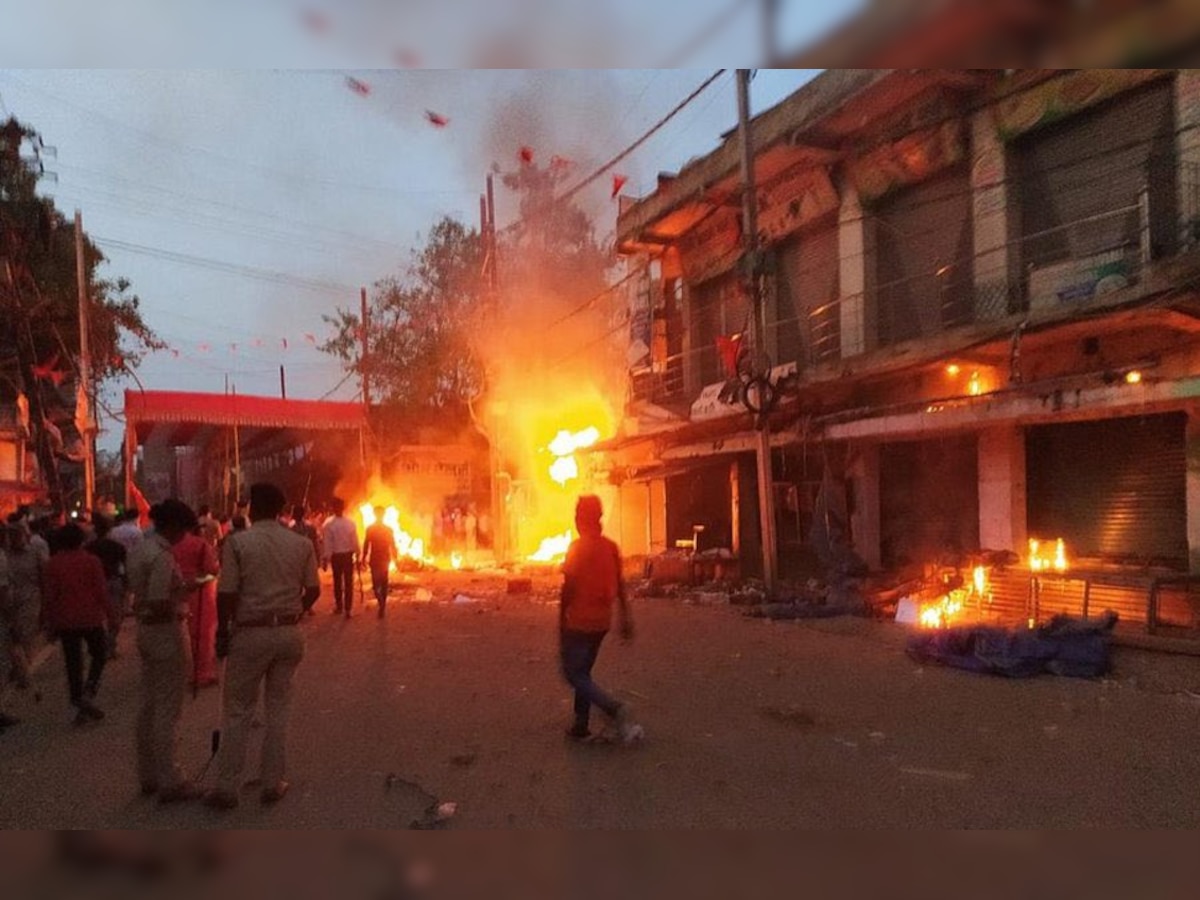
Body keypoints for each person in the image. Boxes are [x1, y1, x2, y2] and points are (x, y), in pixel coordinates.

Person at [205, 482, 320, 810]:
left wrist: (224, 631)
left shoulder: (239, 542)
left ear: (253, 508)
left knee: (238, 710)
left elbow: (226, 594)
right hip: (289, 633)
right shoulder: (300, 544)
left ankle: (228, 787)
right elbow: (313, 590)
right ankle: (273, 783)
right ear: (281, 510)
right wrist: (294, 609)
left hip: (250, 632)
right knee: (278, 709)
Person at [128, 499, 203, 803]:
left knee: (148, 704)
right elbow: (160, 601)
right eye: (183, 531)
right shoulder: (161, 556)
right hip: (166, 631)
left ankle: (148, 775)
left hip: (146, 631)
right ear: (173, 527)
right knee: (168, 708)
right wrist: (187, 589)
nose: (184, 537)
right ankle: (171, 779)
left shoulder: (139, 550)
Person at [559, 495, 642, 745]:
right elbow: (621, 583)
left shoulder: (578, 548)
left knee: (573, 674)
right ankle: (580, 724)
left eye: (577, 515)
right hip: (602, 623)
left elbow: (568, 588)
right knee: (583, 672)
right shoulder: (610, 547)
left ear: (582, 519)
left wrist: (560, 620)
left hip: (578, 622)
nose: (575, 519)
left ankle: (613, 708)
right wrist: (625, 617)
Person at [41, 523, 111, 725]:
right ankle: (89, 691)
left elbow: (49, 597)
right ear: (81, 540)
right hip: (90, 617)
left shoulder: (52, 564)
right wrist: (111, 614)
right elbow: (101, 591)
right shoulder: (91, 561)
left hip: (65, 619)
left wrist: (49, 622)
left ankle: (77, 701)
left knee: (73, 663)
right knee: (100, 653)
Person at [171, 519, 220, 688]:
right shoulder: (201, 545)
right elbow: (212, 570)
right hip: (200, 594)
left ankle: (182, 674)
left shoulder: (169, 544)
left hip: (175, 593)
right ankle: (202, 675)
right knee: (202, 635)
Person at [86, 515, 128, 660]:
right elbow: (125, 566)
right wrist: (127, 583)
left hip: (93, 584)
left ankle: (102, 644)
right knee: (115, 616)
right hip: (113, 581)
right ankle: (110, 645)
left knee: (97, 616)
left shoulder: (88, 547)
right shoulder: (117, 547)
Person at [321, 497, 358, 617]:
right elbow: (355, 541)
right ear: (344, 508)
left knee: (338, 582)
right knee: (348, 583)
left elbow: (328, 543)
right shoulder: (350, 523)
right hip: (347, 556)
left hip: (337, 557)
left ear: (333, 508)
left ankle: (339, 606)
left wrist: (326, 559)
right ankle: (348, 609)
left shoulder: (328, 523)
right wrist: (357, 553)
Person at [361, 506, 397, 619]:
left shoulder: (370, 529)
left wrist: (363, 557)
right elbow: (393, 545)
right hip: (384, 558)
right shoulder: (387, 529)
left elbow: (366, 544)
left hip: (376, 559)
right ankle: (382, 604)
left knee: (376, 584)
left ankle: (381, 603)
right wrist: (395, 557)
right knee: (383, 583)